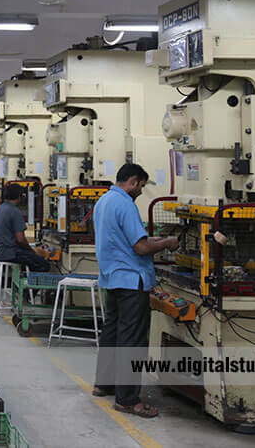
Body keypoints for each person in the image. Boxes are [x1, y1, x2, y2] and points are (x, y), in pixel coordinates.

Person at [92, 163, 179, 418]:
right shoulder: (126, 205)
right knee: (132, 340)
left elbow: (122, 239)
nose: (140, 191)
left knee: (112, 333)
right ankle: (127, 399)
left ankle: (104, 384)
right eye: (140, 185)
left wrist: (151, 240)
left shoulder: (104, 201)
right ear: (132, 181)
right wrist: (166, 243)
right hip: (131, 281)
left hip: (112, 277)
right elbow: (140, 248)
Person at [0, 183, 50, 272]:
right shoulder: (14, 212)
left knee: (29, 258)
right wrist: (32, 251)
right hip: (9, 253)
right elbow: (20, 239)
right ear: (19, 197)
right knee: (43, 264)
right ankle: (29, 284)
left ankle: (22, 279)